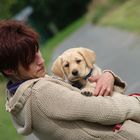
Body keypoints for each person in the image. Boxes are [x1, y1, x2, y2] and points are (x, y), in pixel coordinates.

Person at [0, 20, 140, 140]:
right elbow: (105, 111)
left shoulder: (18, 95)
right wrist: (136, 101)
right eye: (30, 59)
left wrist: (108, 76)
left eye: (37, 51)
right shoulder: (40, 92)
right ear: (9, 70)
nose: (41, 60)